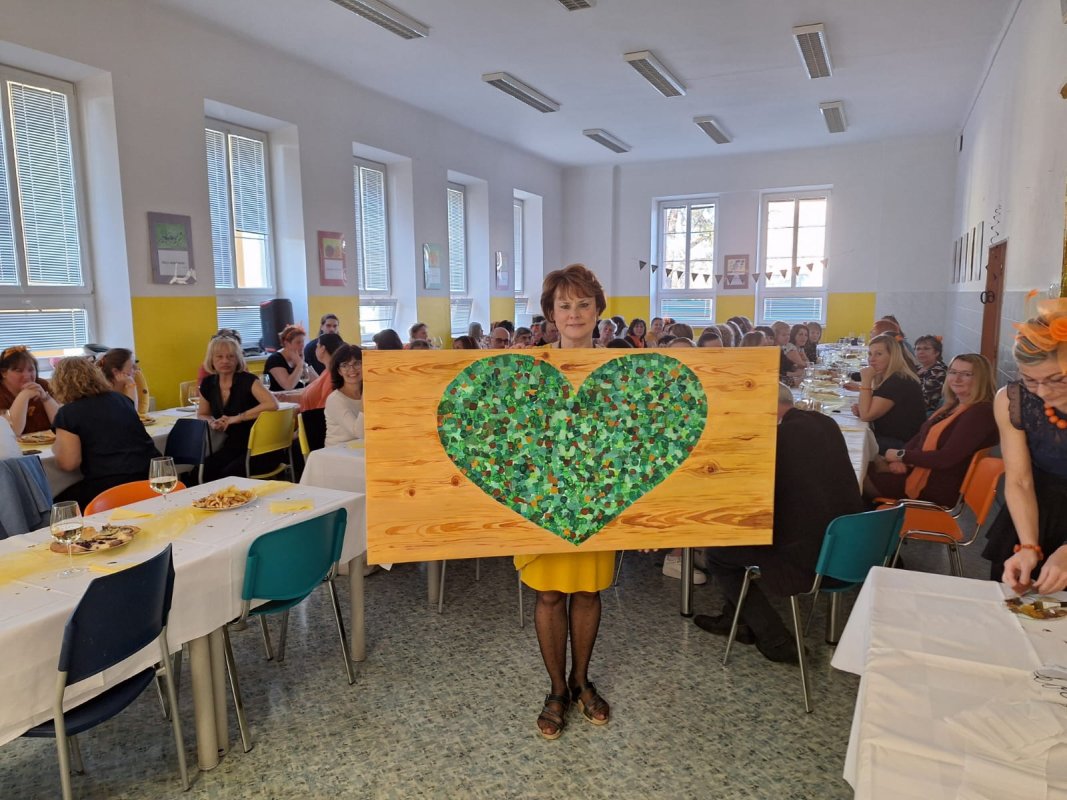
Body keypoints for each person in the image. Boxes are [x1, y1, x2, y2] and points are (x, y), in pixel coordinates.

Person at [693, 384, 864, 663]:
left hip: (810, 554)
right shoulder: (825, 423)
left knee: (719, 555)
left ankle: (774, 639)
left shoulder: (778, 439)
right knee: (740, 538)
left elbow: (750, 489)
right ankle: (737, 617)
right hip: (848, 545)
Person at [520, 263, 613, 740]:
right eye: (564, 305)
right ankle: (557, 688)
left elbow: (633, 444)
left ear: (597, 310)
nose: (574, 313)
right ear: (551, 314)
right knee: (550, 594)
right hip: (542, 503)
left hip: (598, 502)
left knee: (588, 592)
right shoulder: (529, 368)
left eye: (582, 304)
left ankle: (581, 681)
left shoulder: (618, 370)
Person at [983, 296, 1067, 593]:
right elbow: (1019, 480)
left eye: (1058, 380)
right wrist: (1029, 545)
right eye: (1030, 380)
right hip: (1034, 510)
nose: (1043, 392)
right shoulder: (1013, 400)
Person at [866, 354, 998, 507]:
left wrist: (902, 456)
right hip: (919, 471)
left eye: (966, 374)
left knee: (853, 478)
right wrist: (900, 459)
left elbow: (946, 458)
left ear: (981, 379)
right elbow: (921, 435)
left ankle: (875, 517)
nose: (957, 379)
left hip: (935, 487)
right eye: (953, 372)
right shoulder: (954, 405)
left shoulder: (980, 413)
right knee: (859, 469)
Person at [50, 357, 160, 509]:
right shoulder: (121, 399)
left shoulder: (68, 413)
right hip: (150, 476)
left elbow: (69, 463)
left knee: (54, 504)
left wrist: (55, 448)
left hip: (110, 487)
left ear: (59, 385)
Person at [197, 336, 279, 481]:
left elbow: (273, 404)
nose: (225, 361)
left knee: (228, 474)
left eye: (231, 356)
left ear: (237, 359)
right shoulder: (208, 383)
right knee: (202, 471)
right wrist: (212, 422)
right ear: (211, 360)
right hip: (233, 445)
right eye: (219, 356)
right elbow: (203, 413)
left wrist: (238, 418)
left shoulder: (248, 380)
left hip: (260, 447)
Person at [851, 334, 926, 454]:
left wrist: (866, 380)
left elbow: (866, 416)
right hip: (892, 437)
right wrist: (864, 408)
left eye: (879, 354)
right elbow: (869, 410)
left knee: (850, 442)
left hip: (902, 444)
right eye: (870, 354)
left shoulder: (898, 381)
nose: (871, 359)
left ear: (892, 356)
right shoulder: (891, 376)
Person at [0, 346, 59, 436]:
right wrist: (24, 396)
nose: (27, 376)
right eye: (19, 371)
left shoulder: (42, 385)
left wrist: (45, 398)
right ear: (3, 373)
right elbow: (12, 431)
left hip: (47, 443)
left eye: (31, 370)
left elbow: (62, 425)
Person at [324, 344, 363, 448]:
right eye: (345, 365)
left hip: (363, 448)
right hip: (339, 452)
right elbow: (359, 433)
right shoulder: (335, 399)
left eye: (357, 363)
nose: (352, 369)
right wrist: (365, 404)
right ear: (339, 371)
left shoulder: (371, 392)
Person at [97, 348, 150, 416]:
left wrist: (130, 385)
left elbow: (134, 415)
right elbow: (130, 415)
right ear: (115, 371)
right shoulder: (103, 393)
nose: (136, 369)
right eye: (132, 367)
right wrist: (130, 384)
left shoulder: (125, 384)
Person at [299, 333, 344, 412]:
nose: (315, 350)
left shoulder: (332, 375)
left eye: (317, 346)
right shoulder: (327, 371)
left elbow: (324, 406)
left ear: (322, 349)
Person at [265, 324, 314, 391]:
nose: (302, 345)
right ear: (286, 343)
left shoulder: (301, 356)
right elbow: (288, 386)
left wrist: (303, 364)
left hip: (299, 396)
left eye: (303, 342)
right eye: (298, 342)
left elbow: (317, 381)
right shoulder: (275, 359)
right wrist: (299, 365)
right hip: (279, 397)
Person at [914, 335, 948, 415]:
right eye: (918, 349)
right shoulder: (919, 367)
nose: (921, 352)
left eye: (926, 348)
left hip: (927, 413)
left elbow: (925, 402)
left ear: (936, 352)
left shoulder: (938, 372)